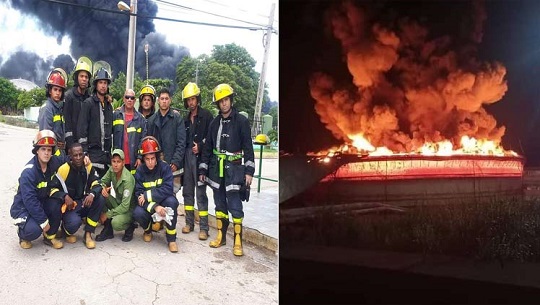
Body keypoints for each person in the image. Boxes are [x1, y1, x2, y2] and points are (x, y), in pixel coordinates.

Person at [199, 84, 255, 256]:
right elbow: (208, 147)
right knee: (220, 205)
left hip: (235, 171)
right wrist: (203, 169)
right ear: (217, 104)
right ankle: (221, 237)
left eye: (226, 100)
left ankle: (238, 241)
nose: (224, 104)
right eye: (221, 101)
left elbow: (248, 148)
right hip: (217, 171)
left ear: (231, 100)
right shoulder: (215, 123)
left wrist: (249, 172)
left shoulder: (242, 121)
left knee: (235, 206)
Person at [10, 130, 64, 249]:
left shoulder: (52, 162)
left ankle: (49, 237)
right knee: (34, 230)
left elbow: (66, 159)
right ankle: (23, 235)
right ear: (37, 151)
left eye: (49, 150)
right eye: (43, 149)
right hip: (24, 207)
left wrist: (84, 159)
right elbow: (30, 201)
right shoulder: (29, 172)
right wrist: (44, 222)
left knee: (56, 203)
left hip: (41, 202)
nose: (46, 153)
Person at [49, 143, 105, 249]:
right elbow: (52, 189)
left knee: (100, 199)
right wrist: (64, 196)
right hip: (71, 206)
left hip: (83, 202)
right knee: (73, 224)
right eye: (75, 155)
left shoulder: (88, 167)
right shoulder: (63, 169)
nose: (78, 158)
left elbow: (98, 183)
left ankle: (88, 235)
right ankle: (65, 230)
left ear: (84, 155)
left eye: (80, 154)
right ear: (70, 155)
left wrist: (92, 194)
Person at [133, 136, 179, 253]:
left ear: (157, 157)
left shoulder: (164, 167)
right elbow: (138, 196)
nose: (150, 162)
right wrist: (155, 207)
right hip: (151, 205)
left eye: (152, 158)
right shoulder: (140, 171)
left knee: (172, 202)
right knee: (137, 212)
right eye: (147, 159)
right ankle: (148, 230)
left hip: (162, 200)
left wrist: (147, 195)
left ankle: (171, 239)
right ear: (143, 158)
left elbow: (168, 189)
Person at [180, 82, 213, 240]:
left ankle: (204, 228)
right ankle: (189, 223)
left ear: (197, 99)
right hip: (187, 158)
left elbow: (213, 139)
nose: (191, 102)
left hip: (200, 160)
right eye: (188, 100)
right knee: (187, 191)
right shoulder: (185, 119)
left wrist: (200, 146)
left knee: (200, 193)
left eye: (193, 99)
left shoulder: (207, 116)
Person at [147, 87, 186, 194]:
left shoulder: (177, 119)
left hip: (174, 166)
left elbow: (181, 142)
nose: (164, 101)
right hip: (156, 166)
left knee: (172, 194)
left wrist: (175, 162)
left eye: (166, 99)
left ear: (170, 100)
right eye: (162, 99)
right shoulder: (151, 121)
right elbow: (148, 143)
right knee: (157, 193)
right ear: (158, 100)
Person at [78, 65, 113, 178]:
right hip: (92, 157)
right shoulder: (88, 104)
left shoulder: (108, 106)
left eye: (105, 83)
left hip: (106, 158)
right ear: (96, 84)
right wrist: (84, 152)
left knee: (104, 191)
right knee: (92, 191)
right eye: (100, 82)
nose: (103, 86)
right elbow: (82, 130)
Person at [95, 149, 137, 242]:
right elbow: (102, 181)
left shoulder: (128, 179)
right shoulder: (111, 170)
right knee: (100, 195)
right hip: (118, 203)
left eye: (118, 161)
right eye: (114, 161)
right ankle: (108, 230)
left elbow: (125, 206)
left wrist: (107, 214)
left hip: (129, 209)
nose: (116, 164)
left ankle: (130, 225)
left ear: (123, 163)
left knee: (116, 223)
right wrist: (103, 188)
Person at [112, 88, 147, 174]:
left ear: (135, 101)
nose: (129, 100)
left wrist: (139, 157)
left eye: (132, 98)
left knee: (133, 185)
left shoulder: (141, 119)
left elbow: (143, 140)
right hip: (118, 160)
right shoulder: (116, 115)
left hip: (134, 161)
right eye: (127, 97)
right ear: (124, 99)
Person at [64, 56, 92, 152]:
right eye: (81, 76)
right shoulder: (68, 97)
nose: (84, 79)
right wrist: (71, 146)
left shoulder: (89, 98)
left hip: (85, 145)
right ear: (76, 78)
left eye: (86, 77)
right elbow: (67, 125)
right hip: (72, 146)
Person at [38, 68, 67, 157]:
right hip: (51, 154)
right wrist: (56, 151)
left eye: (60, 90)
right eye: (55, 89)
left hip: (59, 151)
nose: (58, 93)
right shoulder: (47, 108)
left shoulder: (59, 108)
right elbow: (46, 137)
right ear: (50, 91)